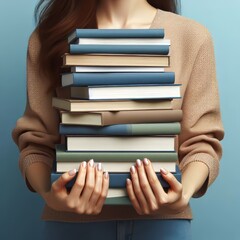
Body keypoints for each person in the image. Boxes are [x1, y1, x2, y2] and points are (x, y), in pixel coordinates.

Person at [12, 0, 224, 239]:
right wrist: (49, 194)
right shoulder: (50, 36)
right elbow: (36, 143)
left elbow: (203, 143)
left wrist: (182, 194)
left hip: (163, 223)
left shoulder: (192, 37)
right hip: (71, 223)